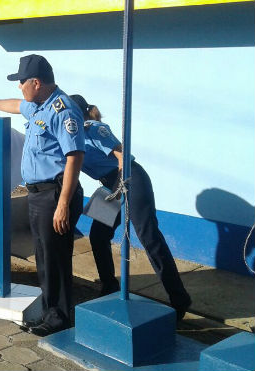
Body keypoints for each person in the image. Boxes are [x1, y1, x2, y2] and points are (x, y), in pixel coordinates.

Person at [0, 54, 85, 336]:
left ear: (36, 82)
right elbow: (15, 106)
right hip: (37, 195)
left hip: (55, 194)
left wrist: (64, 204)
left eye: (21, 82)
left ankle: (61, 317)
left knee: (55, 257)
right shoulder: (37, 105)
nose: (19, 87)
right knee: (43, 256)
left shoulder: (62, 110)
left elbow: (75, 157)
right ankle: (49, 312)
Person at [70, 94, 192, 320]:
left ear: (76, 113)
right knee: (98, 235)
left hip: (130, 178)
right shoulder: (72, 135)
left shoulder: (93, 128)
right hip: (109, 184)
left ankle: (179, 299)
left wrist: (120, 187)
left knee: (149, 237)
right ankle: (109, 286)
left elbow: (122, 155)